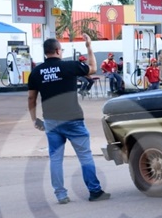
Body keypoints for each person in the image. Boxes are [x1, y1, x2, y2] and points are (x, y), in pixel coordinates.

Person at [27, 34, 110, 204]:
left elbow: (31, 98)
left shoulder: (36, 72)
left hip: (51, 121)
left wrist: (35, 119)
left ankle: (61, 195)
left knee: (56, 159)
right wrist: (88, 47)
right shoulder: (69, 67)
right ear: (58, 50)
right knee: (85, 156)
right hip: (73, 120)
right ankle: (95, 191)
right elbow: (93, 68)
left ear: (46, 52)